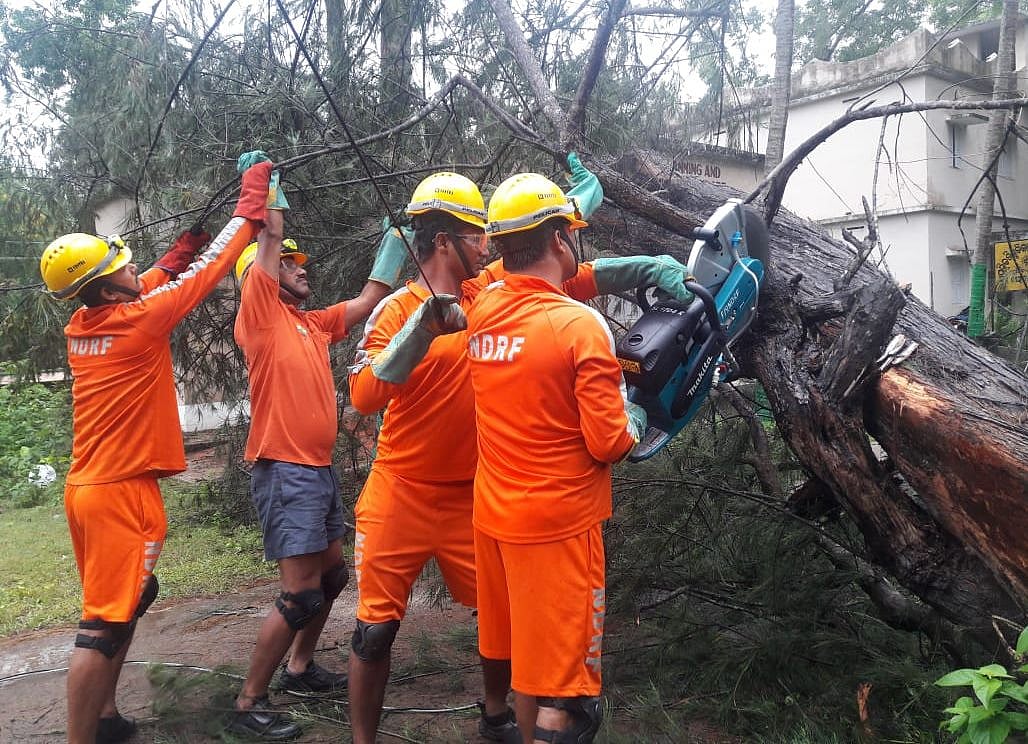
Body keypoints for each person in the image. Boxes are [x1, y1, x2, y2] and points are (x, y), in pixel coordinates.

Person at [346, 162, 689, 744]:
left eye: (489, 232)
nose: (486, 244)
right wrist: (423, 329)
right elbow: (363, 395)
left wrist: (644, 265)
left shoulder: (489, 296)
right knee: (373, 633)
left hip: (477, 498)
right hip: (402, 490)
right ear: (441, 239)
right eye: (476, 234)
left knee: (506, 626)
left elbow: (561, 274)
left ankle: (495, 714)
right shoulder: (401, 311)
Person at [39, 153, 273, 744]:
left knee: (128, 604)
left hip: (91, 489)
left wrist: (183, 240)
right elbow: (213, 269)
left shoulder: (87, 325)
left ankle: (106, 718)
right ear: (103, 283)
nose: (131, 265)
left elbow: (158, 277)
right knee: (101, 625)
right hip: (119, 494)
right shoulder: (138, 322)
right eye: (121, 262)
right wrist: (251, 200)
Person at [229, 156, 408, 740]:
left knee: (329, 581)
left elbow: (369, 301)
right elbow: (269, 234)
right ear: (262, 273)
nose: (300, 268)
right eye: (289, 263)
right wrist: (265, 189)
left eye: (301, 263)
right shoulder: (259, 314)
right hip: (285, 470)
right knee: (300, 594)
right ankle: (248, 701)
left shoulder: (308, 322)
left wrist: (393, 242)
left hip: (316, 470)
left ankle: (300, 668)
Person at [466, 172, 648, 744]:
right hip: (560, 527)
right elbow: (608, 442)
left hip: (495, 520)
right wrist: (637, 420)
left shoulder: (484, 310)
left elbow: (507, 273)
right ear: (558, 241)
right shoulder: (578, 326)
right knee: (568, 701)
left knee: (528, 667)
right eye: (568, 233)